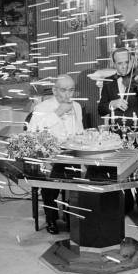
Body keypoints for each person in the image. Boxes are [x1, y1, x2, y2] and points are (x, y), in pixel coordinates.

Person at [97, 48, 138, 220]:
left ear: (132, 61)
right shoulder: (108, 82)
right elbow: (101, 109)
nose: (123, 67)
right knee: (121, 171)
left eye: (126, 62)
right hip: (117, 134)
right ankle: (126, 203)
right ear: (113, 64)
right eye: (119, 63)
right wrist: (112, 103)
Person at [28, 74, 83, 234]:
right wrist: (58, 113)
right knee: (51, 181)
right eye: (63, 90)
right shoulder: (42, 108)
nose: (68, 94)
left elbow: (79, 131)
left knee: (81, 179)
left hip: (72, 153)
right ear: (54, 90)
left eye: (71, 90)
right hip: (49, 156)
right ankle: (51, 217)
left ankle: (70, 215)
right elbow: (33, 131)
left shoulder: (76, 106)